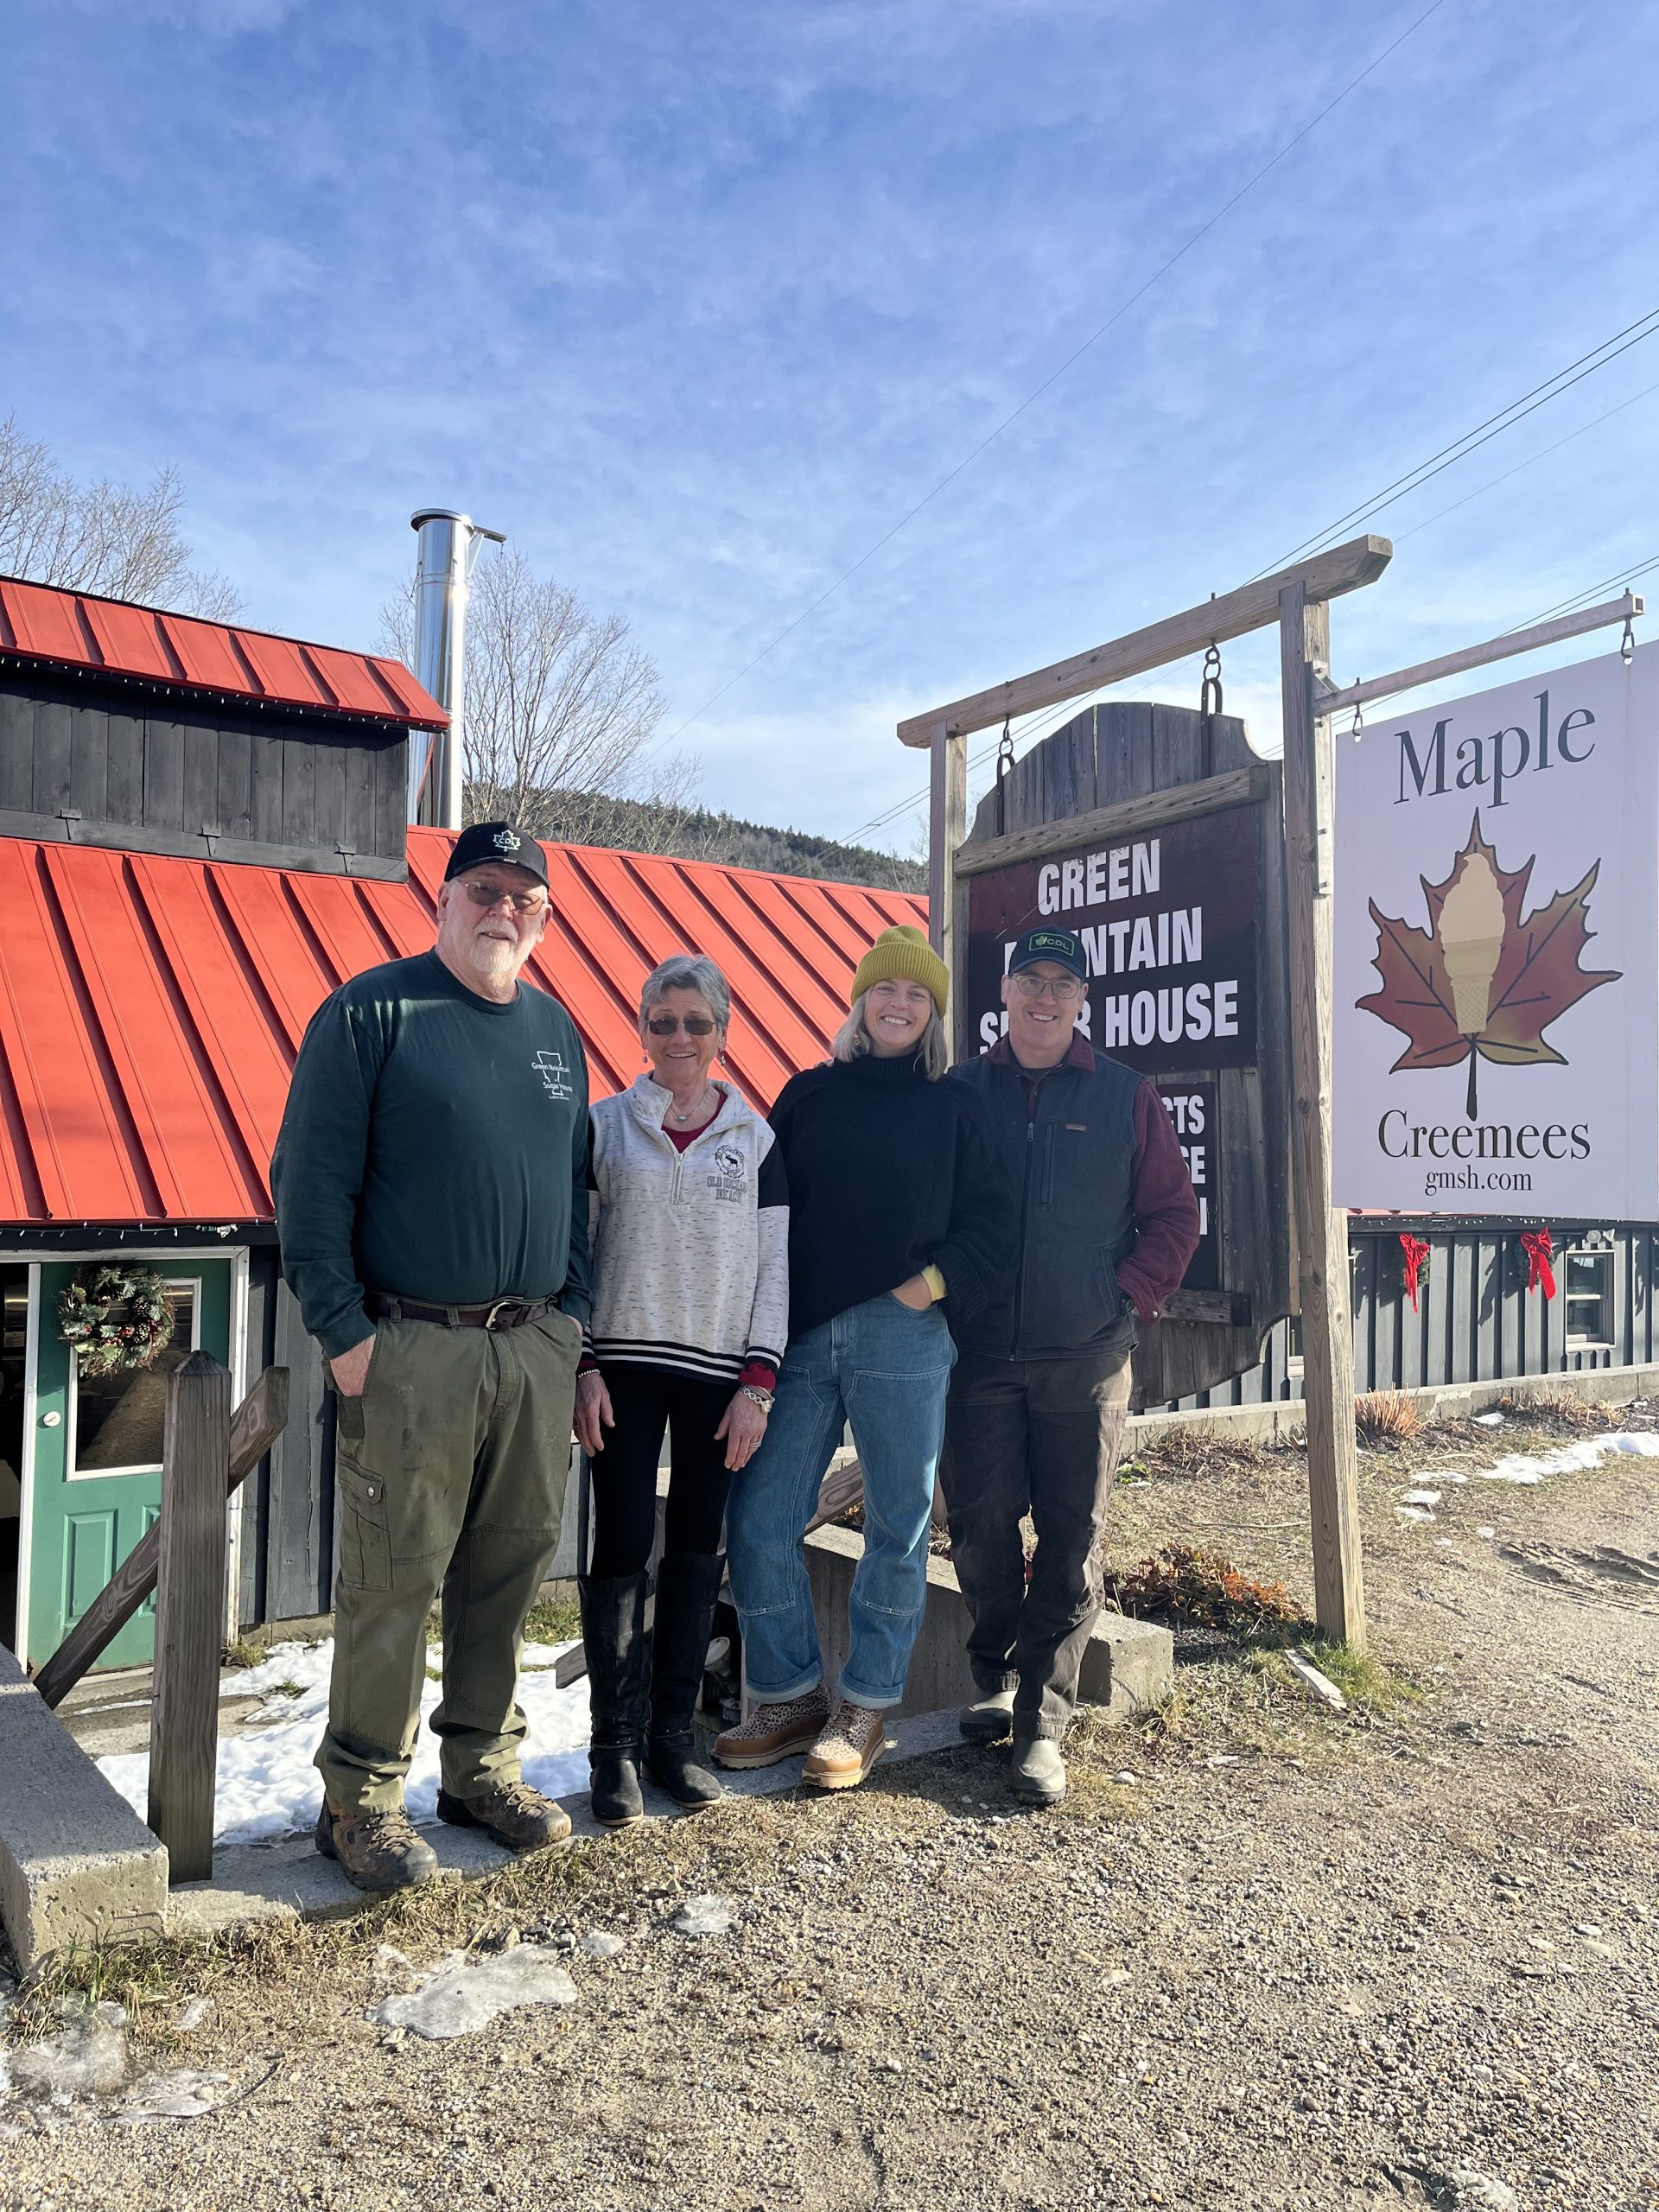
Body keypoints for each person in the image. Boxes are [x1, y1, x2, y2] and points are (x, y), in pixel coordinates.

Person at [270, 822, 590, 1892]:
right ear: (443, 902)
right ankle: (360, 1798)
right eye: (484, 890)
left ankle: (480, 1769)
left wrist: (571, 1322)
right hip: (412, 1345)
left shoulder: (558, 1031)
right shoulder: (372, 1011)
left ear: (542, 921)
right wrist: (345, 1333)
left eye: (524, 898)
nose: (504, 909)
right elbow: (309, 1182)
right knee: (394, 1575)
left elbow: (579, 1190)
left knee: (509, 1567)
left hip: (530, 1346)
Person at [715, 925, 1011, 1791]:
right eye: (885, 990)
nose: (899, 1003)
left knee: (898, 1523)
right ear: (859, 1003)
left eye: (917, 995)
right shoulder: (807, 1096)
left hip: (902, 1331)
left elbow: (993, 1227)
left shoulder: (956, 1108)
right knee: (760, 1516)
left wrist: (931, 1284)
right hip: (801, 1335)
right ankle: (790, 1694)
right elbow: (765, 1217)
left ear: (934, 1015)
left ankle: (868, 1705)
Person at [944, 925, 1200, 1805]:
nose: (1045, 996)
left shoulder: (1126, 1095)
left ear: (1083, 999)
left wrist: (1124, 1297)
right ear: (1004, 994)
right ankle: (997, 1674)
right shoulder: (963, 1091)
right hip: (977, 1354)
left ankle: (1041, 1725)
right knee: (979, 1527)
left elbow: (1175, 1215)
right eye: (1030, 979)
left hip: (1085, 1358)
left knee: (1071, 1537)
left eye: (1063, 982)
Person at [574, 953, 788, 1827]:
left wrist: (761, 1382)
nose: (679, 1037)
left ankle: (673, 1739)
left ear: (723, 1031)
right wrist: (580, 1363)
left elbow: (775, 1266)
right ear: (641, 1029)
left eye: (696, 1021)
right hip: (620, 1366)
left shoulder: (758, 1139)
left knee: (698, 1550)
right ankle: (613, 1750)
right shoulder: (602, 1128)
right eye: (662, 1020)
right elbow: (574, 1252)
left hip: (717, 1374)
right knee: (622, 1545)